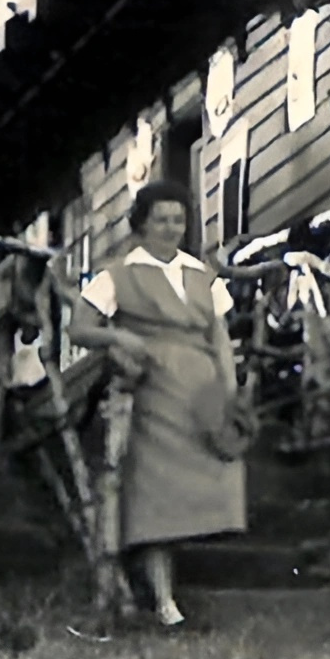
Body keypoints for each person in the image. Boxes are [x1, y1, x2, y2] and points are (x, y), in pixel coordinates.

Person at [71, 180, 247, 626]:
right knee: (155, 492)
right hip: (152, 390)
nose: (171, 229)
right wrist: (117, 335)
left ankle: (200, 587)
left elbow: (220, 339)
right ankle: (165, 601)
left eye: (178, 220)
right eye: (161, 220)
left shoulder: (201, 274)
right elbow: (78, 329)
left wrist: (229, 391)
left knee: (219, 473)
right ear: (141, 225)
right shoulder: (119, 273)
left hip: (202, 388)